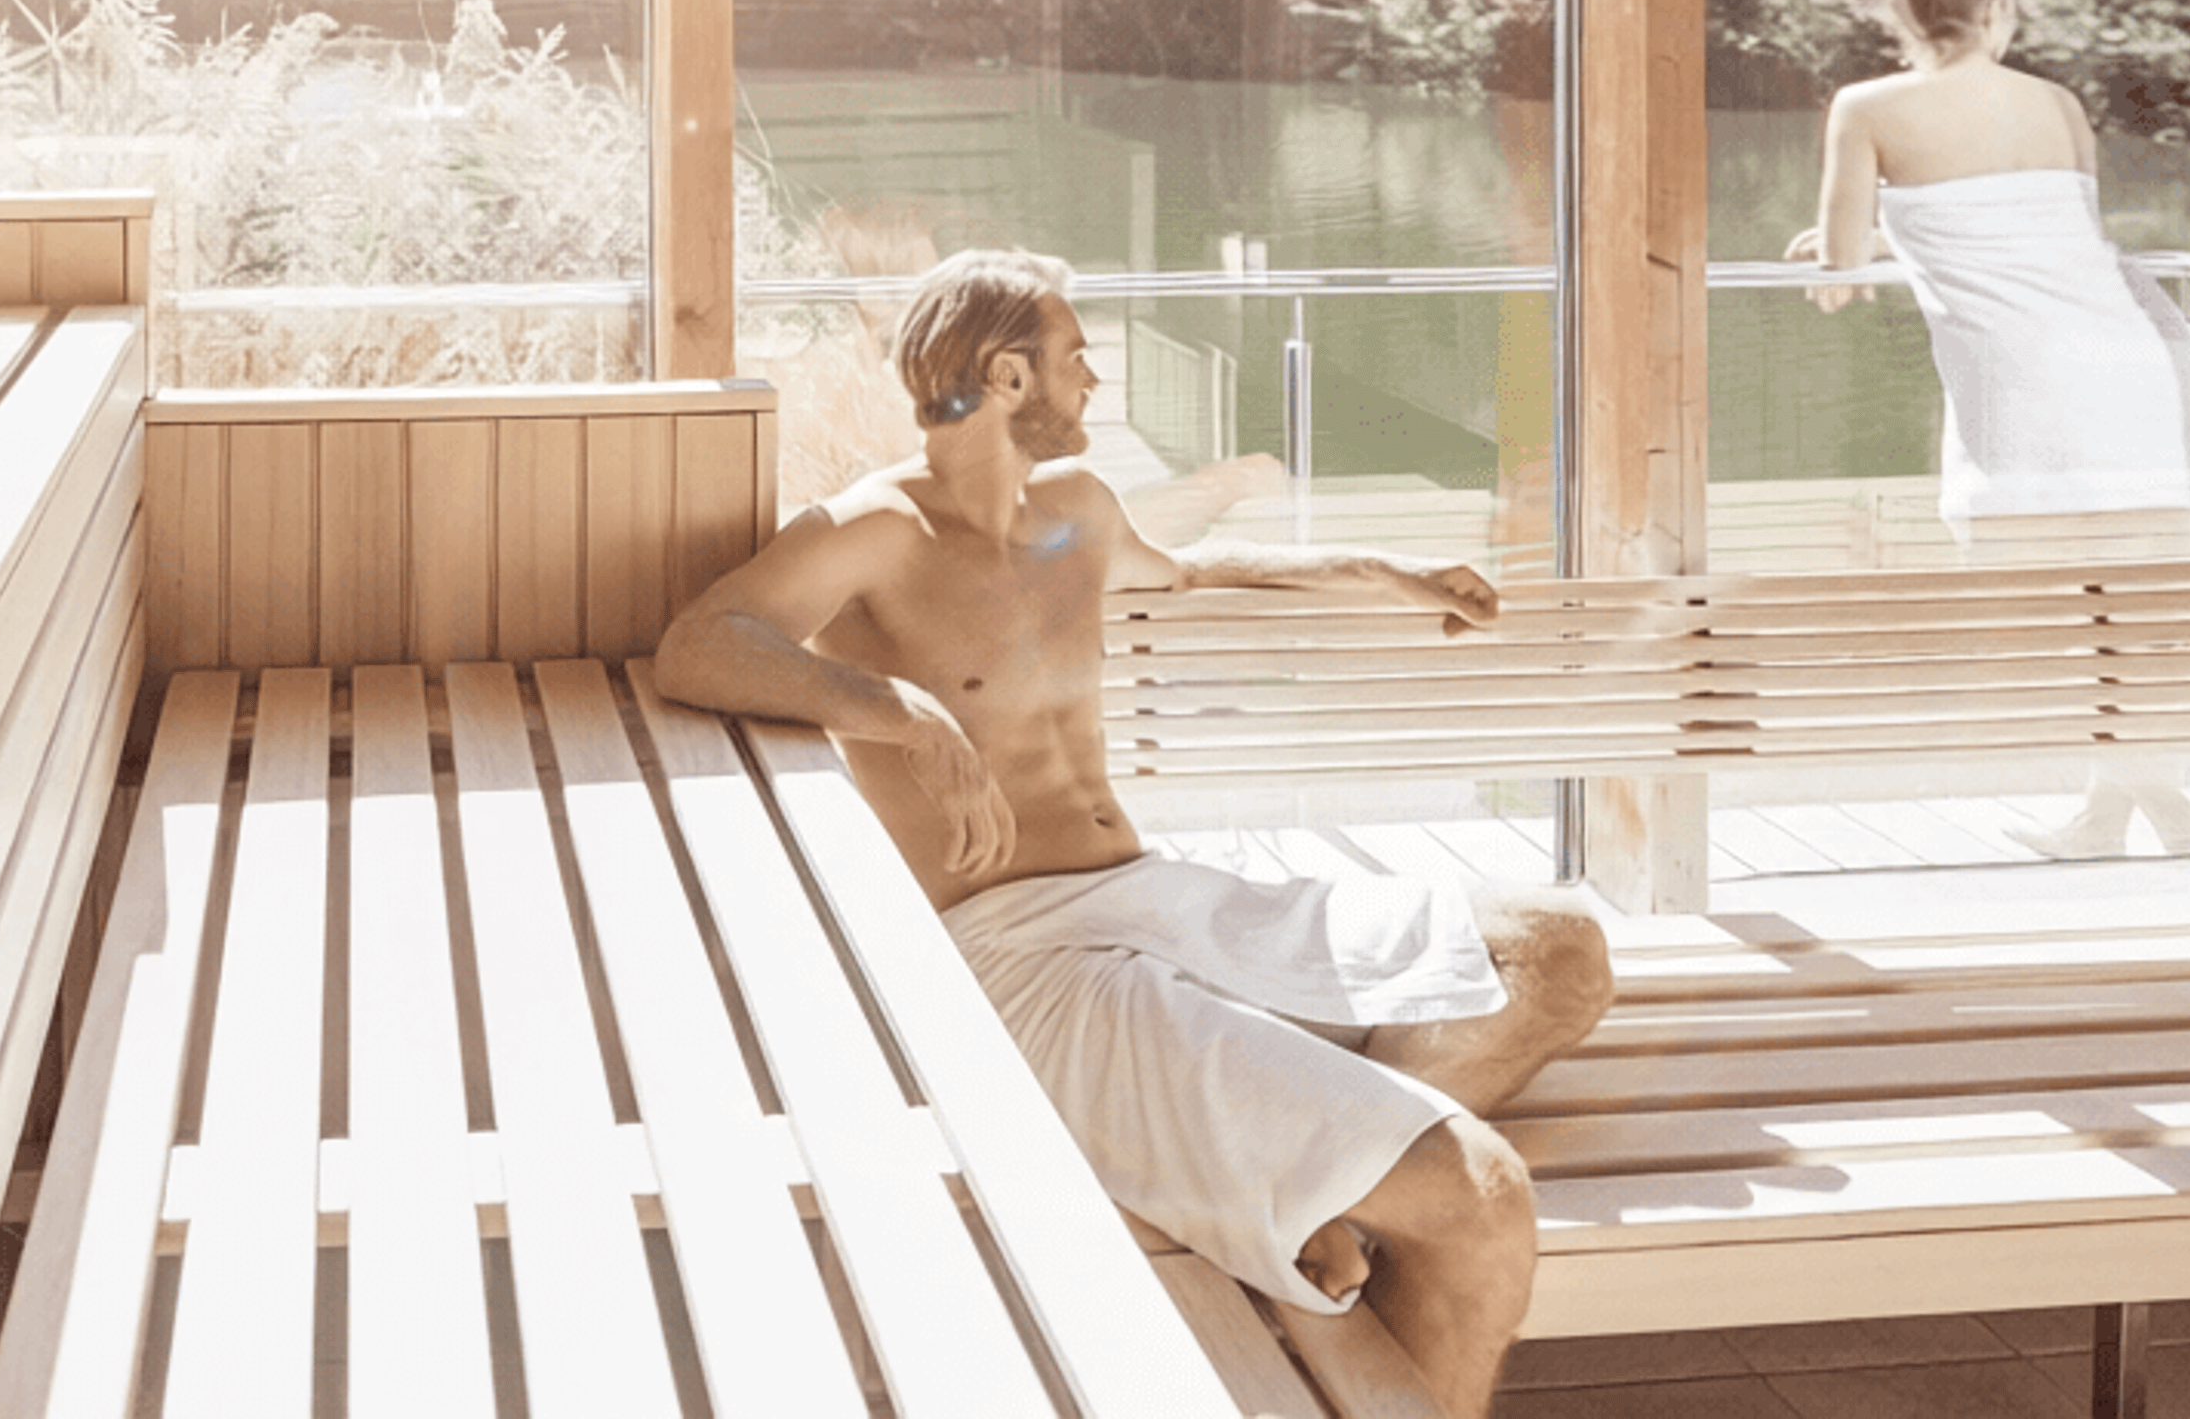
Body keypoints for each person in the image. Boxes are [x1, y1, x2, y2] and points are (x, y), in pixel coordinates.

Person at [653, 249, 1611, 1416]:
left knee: (1555, 948)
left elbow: (1191, 568)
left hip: (1161, 902)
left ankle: (1302, 1197)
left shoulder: (1073, 514)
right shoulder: (878, 531)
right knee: (1480, 1197)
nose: (1096, 380)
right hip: (1030, 955)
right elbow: (701, 643)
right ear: (1008, 376)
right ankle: (1307, 1178)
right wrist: (896, 707)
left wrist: (1381, 568)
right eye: (1076, 357)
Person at [1787, 0, 2190, 858]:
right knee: (2125, 618)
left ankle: (2162, 815)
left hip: (2029, 390)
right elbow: (2056, 240)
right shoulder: (2057, 103)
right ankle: (2120, 819)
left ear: (1896, 12)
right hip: (2131, 369)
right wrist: (1895, 241)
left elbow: (1834, 280)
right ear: (1996, 9)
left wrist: (1863, 245)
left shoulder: (1865, 108)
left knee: (2065, 623)